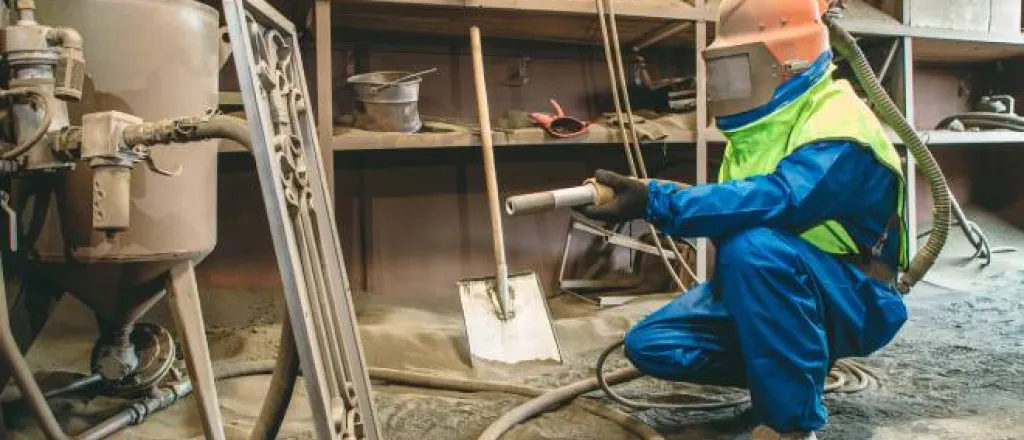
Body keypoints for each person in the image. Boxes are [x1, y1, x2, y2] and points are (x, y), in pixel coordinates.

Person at [577, 1, 909, 439]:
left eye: (740, 65)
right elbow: (739, 202)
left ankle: (792, 424)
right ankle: (795, 365)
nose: (727, 83)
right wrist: (652, 194)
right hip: (783, 286)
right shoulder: (760, 131)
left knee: (751, 247)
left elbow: (783, 198)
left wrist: (657, 201)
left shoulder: (839, 127)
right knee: (654, 345)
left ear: (787, 60)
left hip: (855, 294)